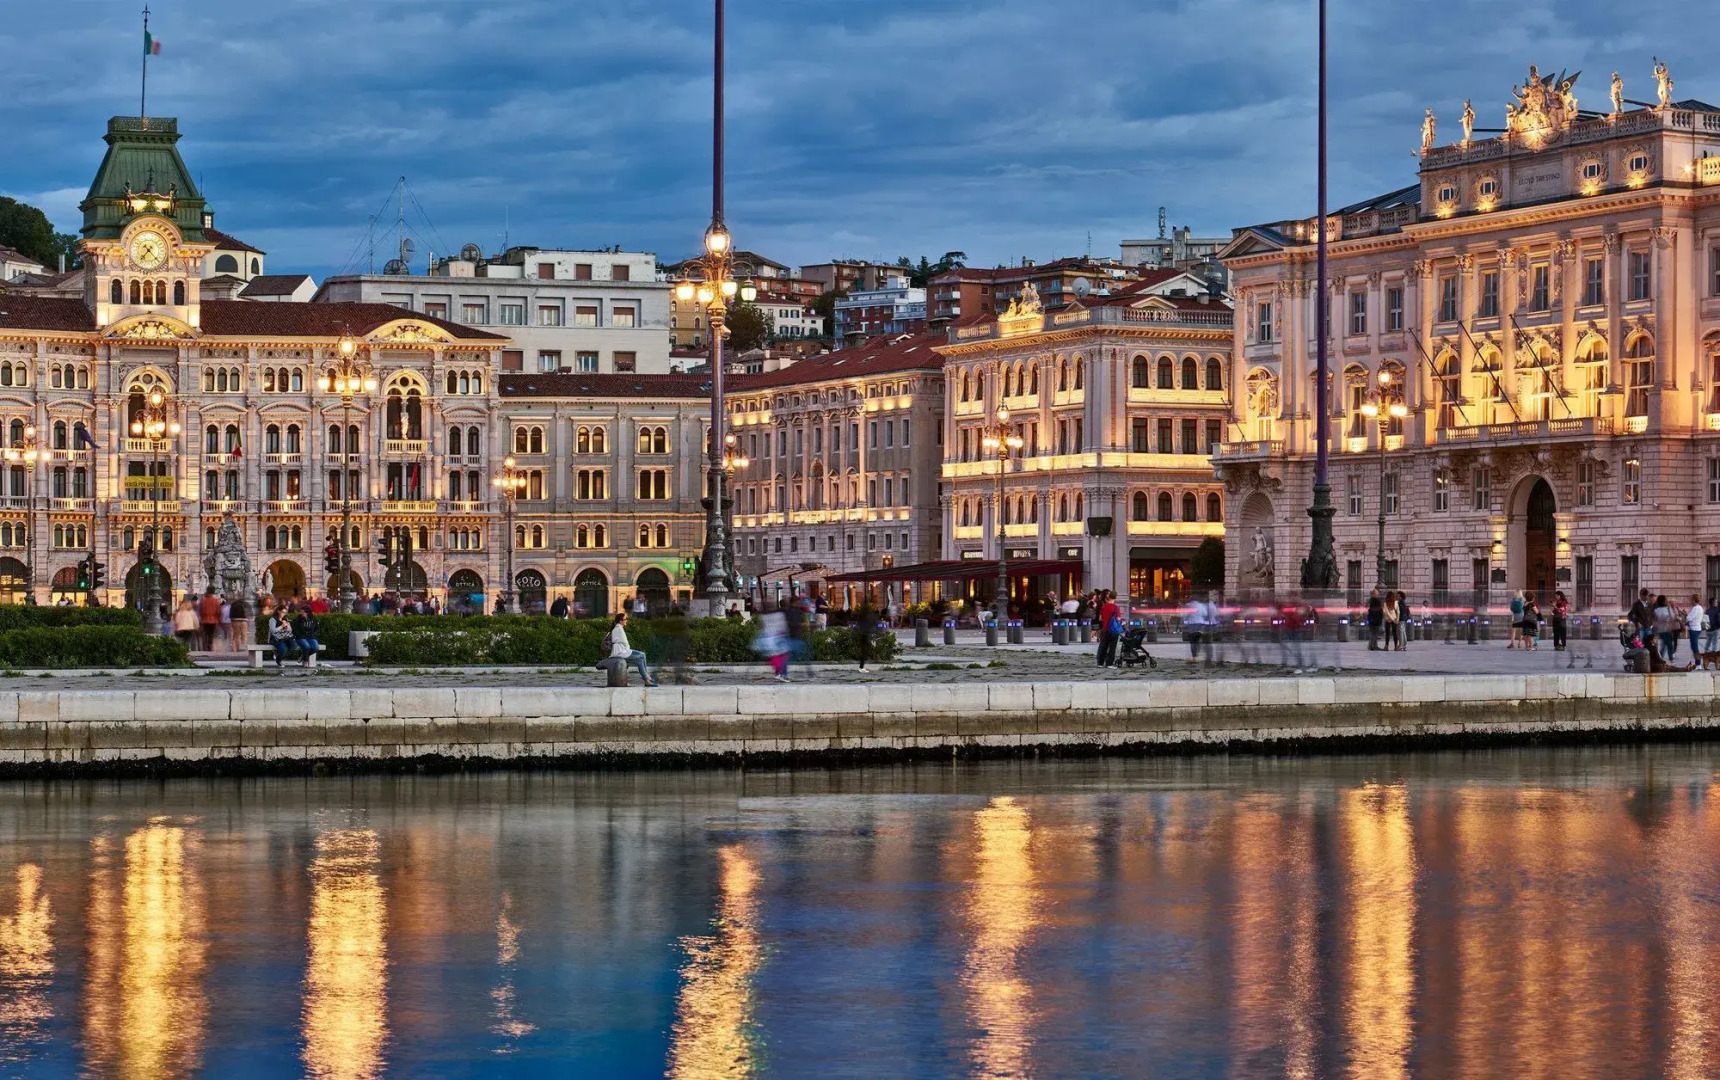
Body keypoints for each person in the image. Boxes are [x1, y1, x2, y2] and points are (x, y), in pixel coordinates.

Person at [605, 611, 657, 685]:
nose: (626, 621)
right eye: (625, 619)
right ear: (621, 621)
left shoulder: (619, 628)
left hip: (623, 650)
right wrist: (628, 649)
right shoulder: (618, 629)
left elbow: (624, 643)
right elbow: (625, 643)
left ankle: (646, 678)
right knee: (641, 656)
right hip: (620, 652)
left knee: (641, 657)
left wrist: (628, 649)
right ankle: (647, 678)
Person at [753, 604, 790, 682]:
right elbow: (783, 628)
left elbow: (761, 628)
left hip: (768, 639)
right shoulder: (779, 615)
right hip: (776, 639)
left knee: (774, 657)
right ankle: (780, 673)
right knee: (781, 656)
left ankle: (778, 673)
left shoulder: (763, 617)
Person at [1096, 590, 1122, 667]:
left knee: (1103, 646)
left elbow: (1100, 618)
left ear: (1108, 596)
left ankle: (1100, 663)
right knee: (1112, 647)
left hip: (1104, 629)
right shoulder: (1116, 608)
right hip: (1113, 630)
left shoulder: (1104, 606)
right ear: (1115, 598)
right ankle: (1109, 663)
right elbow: (1118, 619)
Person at [1651, 594, 1679, 662]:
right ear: (1664, 601)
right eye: (1666, 600)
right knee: (1669, 644)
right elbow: (1673, 617)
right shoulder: (1667, 609)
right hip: (1665, 629)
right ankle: (1670, 659)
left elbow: (1654, 620)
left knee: (1664, 645)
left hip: (1662, 629)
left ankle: (1660, 659)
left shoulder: (1656, 610)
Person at [1687, 594, 1706, 662]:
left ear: (1694, 600)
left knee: (1694, 647)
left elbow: (1689, 618)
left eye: (1691, 600)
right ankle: (1698, 662)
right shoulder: (1699, 607)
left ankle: (1698, 663)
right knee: (1694, 647)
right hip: (1696, 628)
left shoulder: (1695, 608)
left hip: (1694, 629)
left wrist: (1686, 616)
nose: (1690, 601)